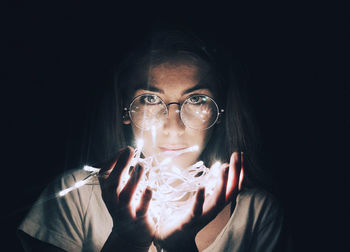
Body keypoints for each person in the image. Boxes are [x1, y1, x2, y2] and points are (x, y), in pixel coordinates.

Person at [18, 30, 286, 251]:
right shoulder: (75, 196)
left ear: (220, 114)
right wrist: (126, 241)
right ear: (124, 109)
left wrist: (181, 246)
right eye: (149, 99)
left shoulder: (256, 212)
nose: (173, 126)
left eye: (195, 100)